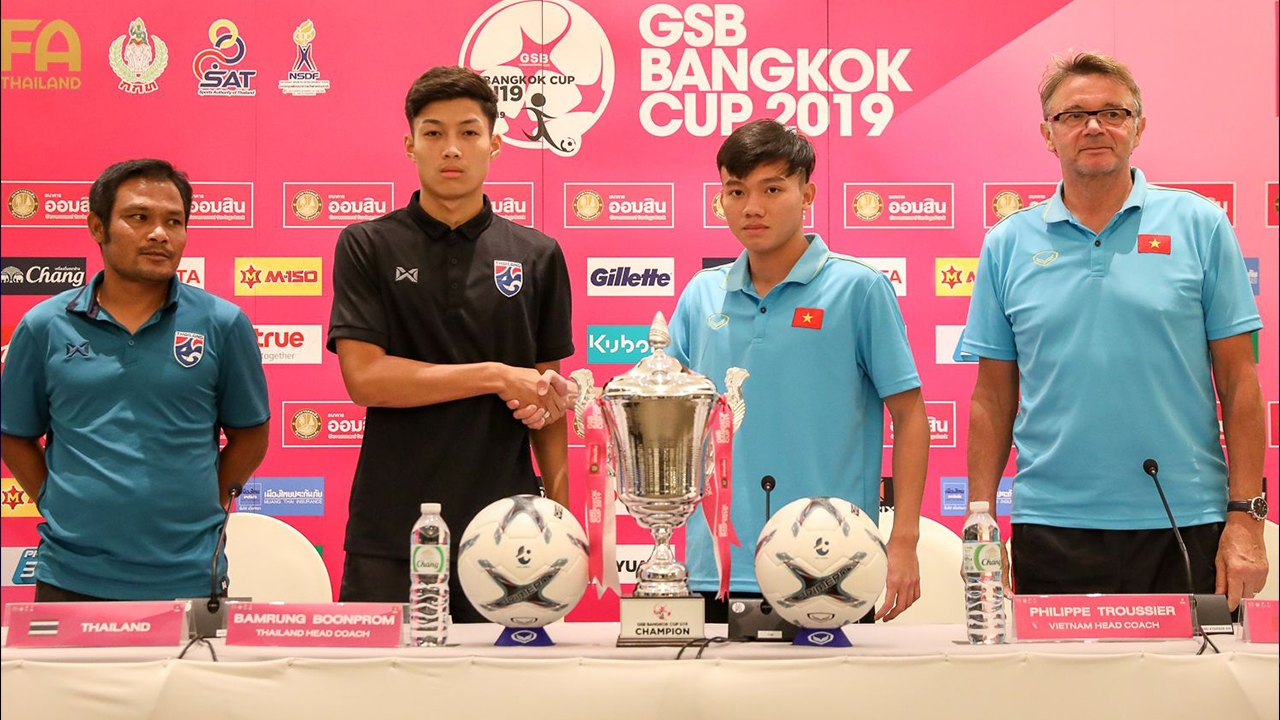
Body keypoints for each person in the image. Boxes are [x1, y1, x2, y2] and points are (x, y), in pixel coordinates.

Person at [962, 52, 1268, 609]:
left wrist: (1246, 518)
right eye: (1073, 115)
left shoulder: (1201, 225)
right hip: (1052, 525)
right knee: (1054, 672)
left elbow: (1239, 381)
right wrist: (980, 519)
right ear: (1048, 134)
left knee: (1196, 671)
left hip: (1186, 518)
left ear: (1138, 127)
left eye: (1113, 113)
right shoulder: (1006, 243)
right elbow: (992, 396)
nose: (1094, 127)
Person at [327, 66, 574, 621]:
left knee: (501, 679)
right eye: (434, 133)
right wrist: (494, 374)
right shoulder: (367, 244)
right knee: (377, 678)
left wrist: (560, 516)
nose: (452, 148)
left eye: (468, 132)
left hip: (509, 532)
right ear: (410, 144)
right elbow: (365, 380)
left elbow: (546, 399)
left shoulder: (538, 254)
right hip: (390, 526)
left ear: (495, 144)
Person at [662, 119, 930, 622]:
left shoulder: (858, 288)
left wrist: (904, 539)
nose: (752, 207)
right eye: (736, 191)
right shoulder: (701, 294)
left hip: (833, 565)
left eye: (772, 189)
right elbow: (661, 412)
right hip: (716, 568)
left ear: (806, 194)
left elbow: (911, 416)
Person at [0, 158, 270, 601]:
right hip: (71, 576)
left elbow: (251, 435)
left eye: (174, 221)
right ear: (97, 226)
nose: (160, 234)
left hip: (188, 576)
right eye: (139, 217)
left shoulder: (223, 323)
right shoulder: (43, 325)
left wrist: (203, 502)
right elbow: (14, 435)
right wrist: (56, 500)